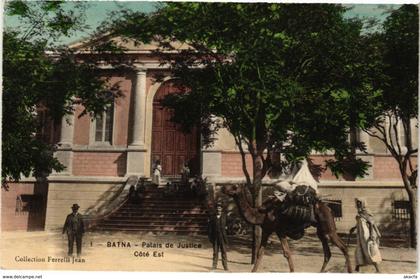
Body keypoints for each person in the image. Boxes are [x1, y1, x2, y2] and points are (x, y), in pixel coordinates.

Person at [349, 198, 382, 273]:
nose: (358, 204)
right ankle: (357, 268)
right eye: (357, 203)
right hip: (360, 235)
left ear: (363, 203)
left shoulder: (366, 212)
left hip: (366, 235)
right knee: (359, 249)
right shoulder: (359, 213)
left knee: (369, 251)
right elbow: (359, 223)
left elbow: (371, 224)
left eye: (359, 203)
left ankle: (378, 270)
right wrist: (353, 228)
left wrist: (371, 235)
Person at [208, 200, 229, 271]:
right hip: (215, 238)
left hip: (222, 237)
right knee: (215, 252)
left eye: (220, 208)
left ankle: (225, 267)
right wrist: (210, 238)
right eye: (217, 208)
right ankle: (214, 266)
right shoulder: (213, 217)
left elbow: (229, 224)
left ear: (221, 209)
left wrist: (227, 228)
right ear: (216, 209)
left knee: (224, 252)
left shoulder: (224, 216)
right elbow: (210, 228)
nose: (218, 209)